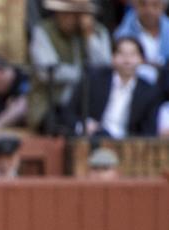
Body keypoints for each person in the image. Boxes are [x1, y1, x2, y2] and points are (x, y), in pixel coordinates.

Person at [27, 0, 113, 133]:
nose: (68, 18)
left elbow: (105, 68)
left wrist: (89, 37)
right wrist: (84, 75)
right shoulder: (44, 30)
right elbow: (47, 72)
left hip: (89, 105)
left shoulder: (98, 31)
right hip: (53, 104)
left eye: (74, 14)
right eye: (64, 13)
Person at [64, 36, 162, 137]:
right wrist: (84, 125)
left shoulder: (149, 91)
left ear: (142, 59)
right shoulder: (94, 80)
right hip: (94, 139)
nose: (127, 59)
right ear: (113, 57)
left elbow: (149, 132)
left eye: (133, 54)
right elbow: (69, 111)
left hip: (127, 145)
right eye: (122, 53)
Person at [114, 0, 169, 77]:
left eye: (155, 5)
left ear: (163, 7)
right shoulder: (123, 32)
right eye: (143, 4)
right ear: (135, 6)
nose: (149, 10)